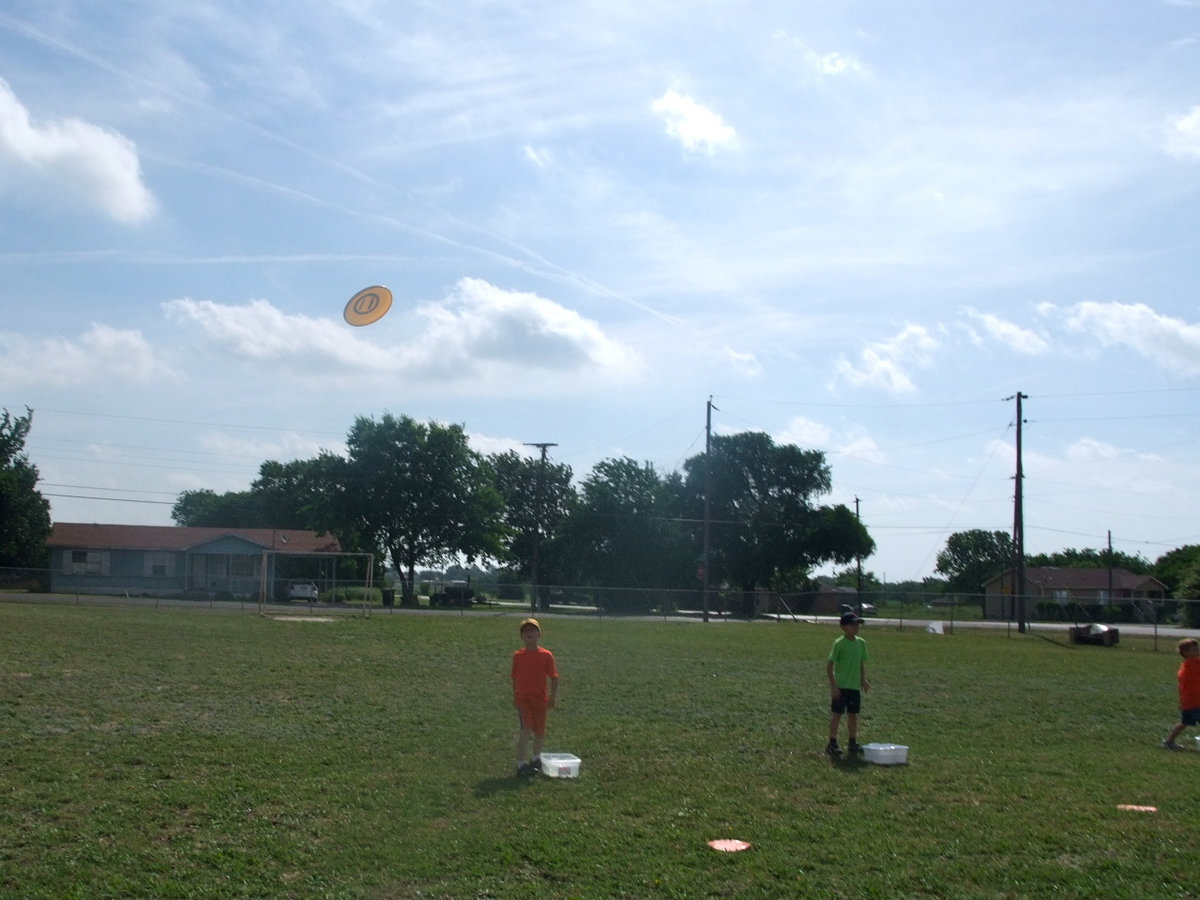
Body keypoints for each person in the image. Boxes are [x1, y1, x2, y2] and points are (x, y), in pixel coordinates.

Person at [512, 617, 559, 775]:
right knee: (526, 730)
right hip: (524, 699)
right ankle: (521, 764)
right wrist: (516, 697)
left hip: (540, 699)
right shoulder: (518, 656)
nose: (529, 633)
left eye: (533, 630)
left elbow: (554, 677)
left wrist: (552, 697)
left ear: (539, 634)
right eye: (525, 631)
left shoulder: (546, 655)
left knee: (539, 731)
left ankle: (536, 758)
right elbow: (515, 677)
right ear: (522, 636)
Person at [826, 610, 870, 757]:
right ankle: (832, 743)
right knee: (837, 714)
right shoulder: (839, 644)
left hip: (854, 687)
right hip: (841, 687)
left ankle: (852, 742)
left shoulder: (861, 643)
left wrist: (863, 680)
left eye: (858, 624)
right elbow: (829, 667)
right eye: (853, 625)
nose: (857, 627)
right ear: (844, 627)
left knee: (853, 715)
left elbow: (861, 664)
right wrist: (834, 686)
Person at [1163, 637, 1200, 750]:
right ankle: (1168, 742)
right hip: (1196, 702)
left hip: (1188, 702)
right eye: (1193, 650)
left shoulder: (1185, 666)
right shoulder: (1194, 663)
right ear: (1185, 652)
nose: (1197, 651)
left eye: (1197, 649)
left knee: (1184, 723)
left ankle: (1169, 742)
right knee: (1184, 723)